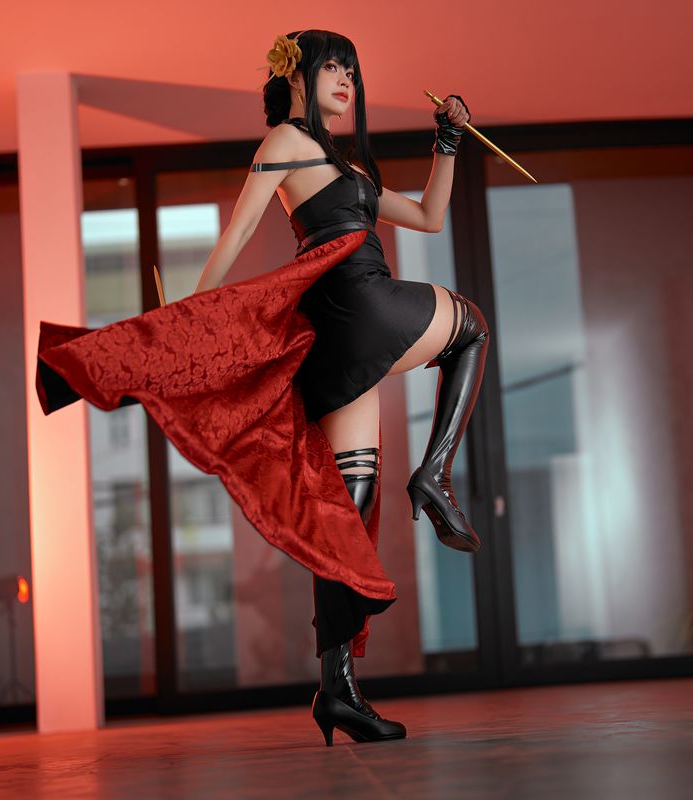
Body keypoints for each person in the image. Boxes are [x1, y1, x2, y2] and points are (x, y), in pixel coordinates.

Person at [35, 29, 490, 746]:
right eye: (333, 66)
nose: (346, 80)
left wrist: (448, 141)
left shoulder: (346, 165)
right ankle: (435, 476)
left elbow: (430, 217)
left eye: (352, 70)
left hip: (342, 338)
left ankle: (336, 689)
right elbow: (236, 236)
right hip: (356, 303)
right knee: (472, 327)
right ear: (298, 76)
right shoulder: (285, 141)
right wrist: (188, 320)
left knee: (344, 511)